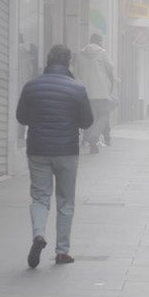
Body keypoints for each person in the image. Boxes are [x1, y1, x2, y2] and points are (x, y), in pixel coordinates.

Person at [16, 44, 93, 267]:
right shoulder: (77, 89)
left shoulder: (31, 86)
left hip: (38, 150)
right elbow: (87, 121)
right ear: (69, 63)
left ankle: (39, 235)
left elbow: (21, 117)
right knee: (65, 201)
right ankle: (62, 252)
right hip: (67, 151)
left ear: (47, 61)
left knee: (40, 198)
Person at [77, 33, 115, 152]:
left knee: (92, 117)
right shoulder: (102, 52)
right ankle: (94, 136)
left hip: (86, 91)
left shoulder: (80, 54)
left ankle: (91, 142)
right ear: (99, 42)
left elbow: (77, 72)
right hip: (102, 91)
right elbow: (111, 68)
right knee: (104, 115)